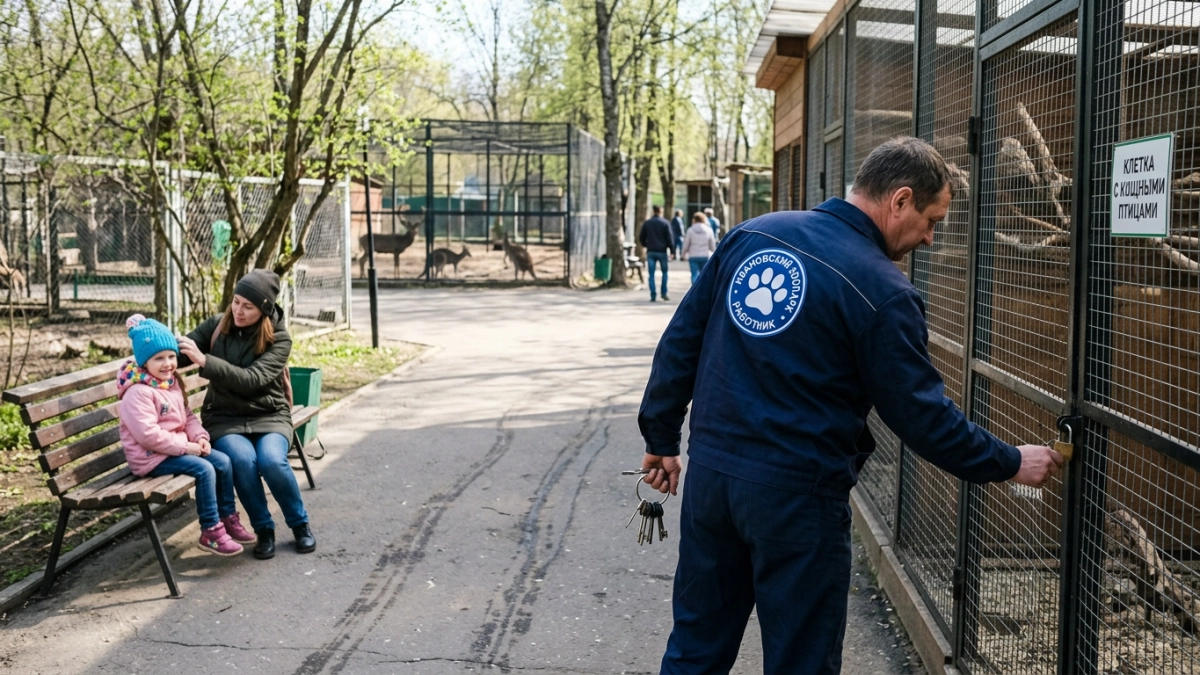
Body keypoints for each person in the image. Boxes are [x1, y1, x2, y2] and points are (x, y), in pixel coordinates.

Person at [636, 137, 1064, 674]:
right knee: (802, 660)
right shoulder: (882, 289)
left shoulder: (755, 234)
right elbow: (921, 415)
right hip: (796, 497)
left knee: (696, 647)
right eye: (932, 220)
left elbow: (681, 343)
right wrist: (1009, 462)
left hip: (714, 481)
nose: (930, 239)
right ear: (900, 200)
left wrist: (661, 438)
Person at [177, 270, 316, 560]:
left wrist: (205, 361)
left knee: (272, 461)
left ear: (264, 309)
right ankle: (264, 529)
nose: (238, 311)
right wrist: (153, 345)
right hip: (225, 418)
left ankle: (299, 524)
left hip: (269, 415)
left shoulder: (279, 339)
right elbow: (177, 352)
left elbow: (251, 379)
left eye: (248, 306)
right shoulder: (217, 326)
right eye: (236, 302)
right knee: (242, 460)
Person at [118, 314, 251, 556]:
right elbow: (148, 436)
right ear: (144, 362)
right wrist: (185, 446)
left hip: (173, 449)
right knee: (205, 469)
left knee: (222, 461)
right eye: (159, 358)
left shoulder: (168, 383)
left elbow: (187, 415)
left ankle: (227, 517)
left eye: (171, 356)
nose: (168, 363)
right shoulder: (138, 393)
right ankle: (211, 531)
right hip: (150, 457)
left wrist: (199, 437)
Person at [638, 205, 675, 302]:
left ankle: (653, 294)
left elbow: (641, 237)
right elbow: (670, 238)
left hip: (651, 251)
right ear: (661, 211)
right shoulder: (665, 223)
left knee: (651, 274)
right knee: (665, 273)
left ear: (653, 211)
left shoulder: (647, 223)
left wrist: (646, 245)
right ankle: (663, 293)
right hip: (662, 251)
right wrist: (672, 251)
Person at [680, 212, 716, 284]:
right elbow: (712, 245)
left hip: (693, 256)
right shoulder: (709, 230)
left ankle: (694, 292)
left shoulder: (690, 230)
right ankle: (703, 292)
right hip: (705, 256)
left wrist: (682, 255)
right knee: (704, 276)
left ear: (694, 219)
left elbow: (686, 244)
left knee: (694, 275)